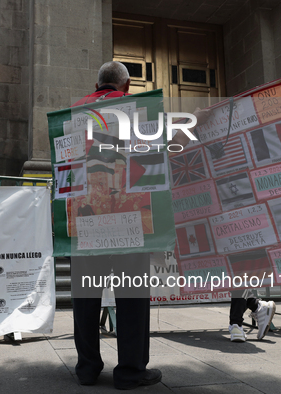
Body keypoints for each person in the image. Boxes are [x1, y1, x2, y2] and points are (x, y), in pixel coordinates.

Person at [69, 61, 208, 390]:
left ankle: (87, 369)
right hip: (130, 219)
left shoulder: (73, 113)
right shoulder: (137, 110)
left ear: (97, 82)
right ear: (126, 86)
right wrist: (196, 124)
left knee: (85, 297)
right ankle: (130, 371)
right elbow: (162, 156)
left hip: (85, 218)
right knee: (131, 296)